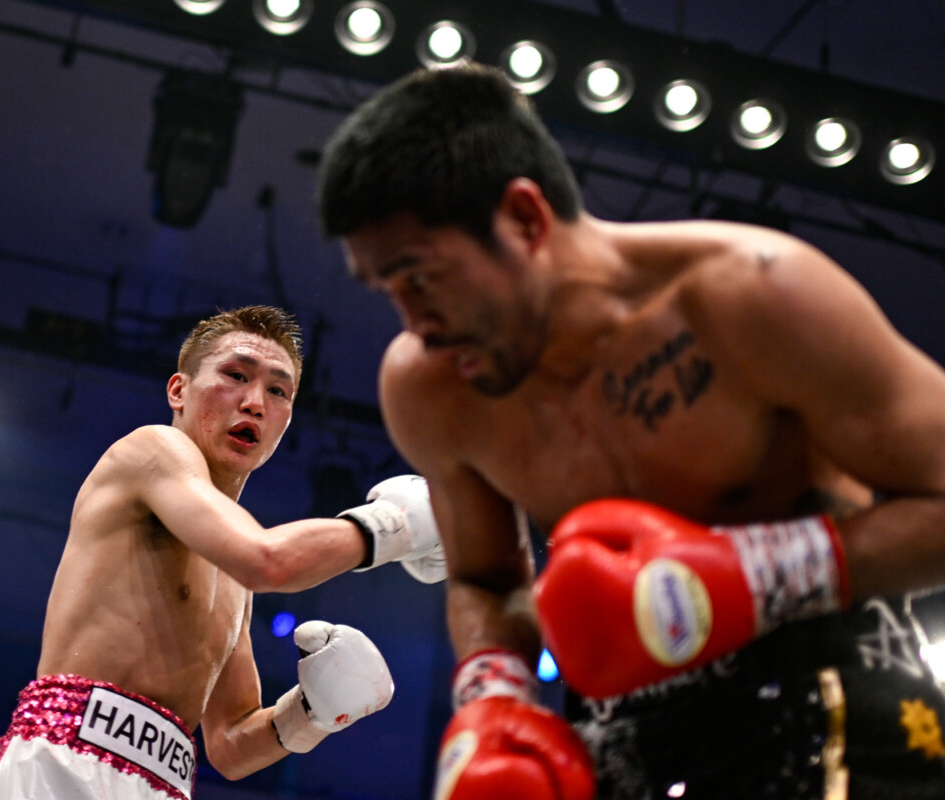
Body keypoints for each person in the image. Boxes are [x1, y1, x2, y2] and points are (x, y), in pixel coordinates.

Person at [316, 64, 945, 800]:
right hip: (625, 735)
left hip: (836, 693)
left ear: (524, 218)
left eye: (420, 277)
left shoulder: (751, 295)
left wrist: (752, 573)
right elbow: (485, 581)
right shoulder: (432, 387)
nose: (413, 321)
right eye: (387, 290)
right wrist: (496, 699)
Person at [0, 305, 443, 800]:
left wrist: (308, 714)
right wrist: (396, 526)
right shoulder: (151, 451)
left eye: (278, 391)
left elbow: (230, 745)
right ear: (178, 391)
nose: (255, 403)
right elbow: (269, 560)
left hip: (163, 787)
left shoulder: (233, 573)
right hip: (61, 765)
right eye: (236, 375)